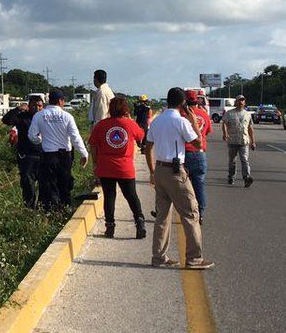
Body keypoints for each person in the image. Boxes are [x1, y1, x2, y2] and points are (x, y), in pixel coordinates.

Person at [142, 87, 212, 269]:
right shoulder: (181, 122)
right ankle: (194, 258)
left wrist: (151, 171)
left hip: (160, 170)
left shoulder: (156, 122)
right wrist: (192, 120)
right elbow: (198, 142)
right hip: (175, 171)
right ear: (183, 103)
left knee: (162, 216)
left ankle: (159, 257)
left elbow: (148, 147)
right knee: (191, 213)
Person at [88, 95, 147, 239]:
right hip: (125, 167)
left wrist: (96, 164)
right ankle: (139, 224)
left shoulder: (101, 125)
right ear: (126, 109)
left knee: (109, 197)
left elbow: (93, 145)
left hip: (106, 166)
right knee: (131, 196)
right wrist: (131, 120)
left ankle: (110, 228)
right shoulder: (129, 124)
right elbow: (141, 136)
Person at [28, 89, 88, 210]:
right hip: (64, 156)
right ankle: (66, 207)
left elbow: (32, 136)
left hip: (48, 155)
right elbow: (75, 137)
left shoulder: (39, 115)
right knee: (65, 183)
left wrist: (41, 141)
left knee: (50, 185)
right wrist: (84, 153)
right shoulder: (67, 116)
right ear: (60, 101)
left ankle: (53, 210)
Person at [2, 96, 43, 208]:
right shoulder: (22, 117)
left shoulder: (45, 117)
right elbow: (6, 120)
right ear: (29, 106)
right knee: (28, 184)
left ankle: (43, 209)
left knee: (45, 184)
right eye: (34, 105)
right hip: (27, 156)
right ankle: (29, 209)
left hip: (43, 156)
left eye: (39, 106)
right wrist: (17, 109)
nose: (37, 108)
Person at [183, 90, 212, 221]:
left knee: (181, 186)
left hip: (184, 154)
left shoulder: (182, 115)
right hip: (200, 154)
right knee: (199, 184)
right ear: (197, 100)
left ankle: (185, 211)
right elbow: (208, 131)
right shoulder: (204, 115)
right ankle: (200, 211)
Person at [221, 94, 255, 187]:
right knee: (232, 161)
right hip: (232, 141)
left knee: (244, 159)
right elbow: (224, 123)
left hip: (244, 141)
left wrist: (253, 141)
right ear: (236, 102)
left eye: (242, 100)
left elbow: (250, 128)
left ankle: (246, 178)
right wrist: (225, 133)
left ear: (244, 102)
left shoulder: (247, 114)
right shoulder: (229, 113)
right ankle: (231, 177)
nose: (241, 102)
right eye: (239, 100)